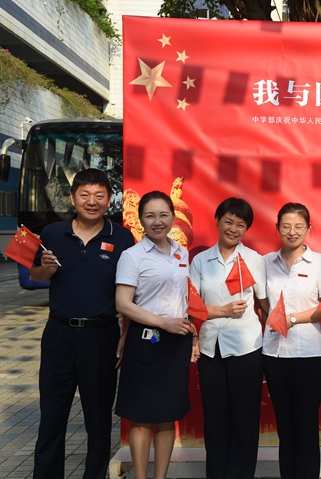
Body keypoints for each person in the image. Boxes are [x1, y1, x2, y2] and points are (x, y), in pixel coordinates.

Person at [30, 168, 135, 479]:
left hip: (102, 336)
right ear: (73, 198)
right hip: (58, 335)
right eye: (85, 195)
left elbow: (131, 290)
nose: (92, 202)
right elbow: (36, 274)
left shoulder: (122, 237)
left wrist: (125, 334)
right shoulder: (52, 234)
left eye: (99, 196)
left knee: (98, 421)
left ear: (109, 200)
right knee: (51, 418)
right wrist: (45, 271)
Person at [115, 190, 198, 479]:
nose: (157, 221)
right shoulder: (132, 256)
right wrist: (163, 323)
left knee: (167, 416)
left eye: (163, 215)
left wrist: (191, 334)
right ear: (141, 220)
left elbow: (186, 299)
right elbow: (123, 303)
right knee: (141, 417)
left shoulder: (181, 253)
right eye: (150, 216)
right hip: (145, 342)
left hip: (176, 343)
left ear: (173, 217)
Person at [190, 197, 269, 479]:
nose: (233, 229)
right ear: (217, 221)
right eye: (228, 222)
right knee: (215, 419)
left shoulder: (254, 260)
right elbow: (192, 306)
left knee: (245, 419)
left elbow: (264, 303)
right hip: (210, 349)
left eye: (240, 225)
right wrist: (220, 312)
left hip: (246, 348)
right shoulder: (200, 261)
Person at [262, 203, 321, 479]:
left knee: (305, 426)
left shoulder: (319, 263)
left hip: (307, 355)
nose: (292, 232)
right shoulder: (266, 263)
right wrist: (273, 319)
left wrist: (292, 319)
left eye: (298, 226)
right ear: (277, 228)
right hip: (274, 354)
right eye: (286, 226)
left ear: (308, 229)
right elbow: (261, 301)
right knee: (284, 426)